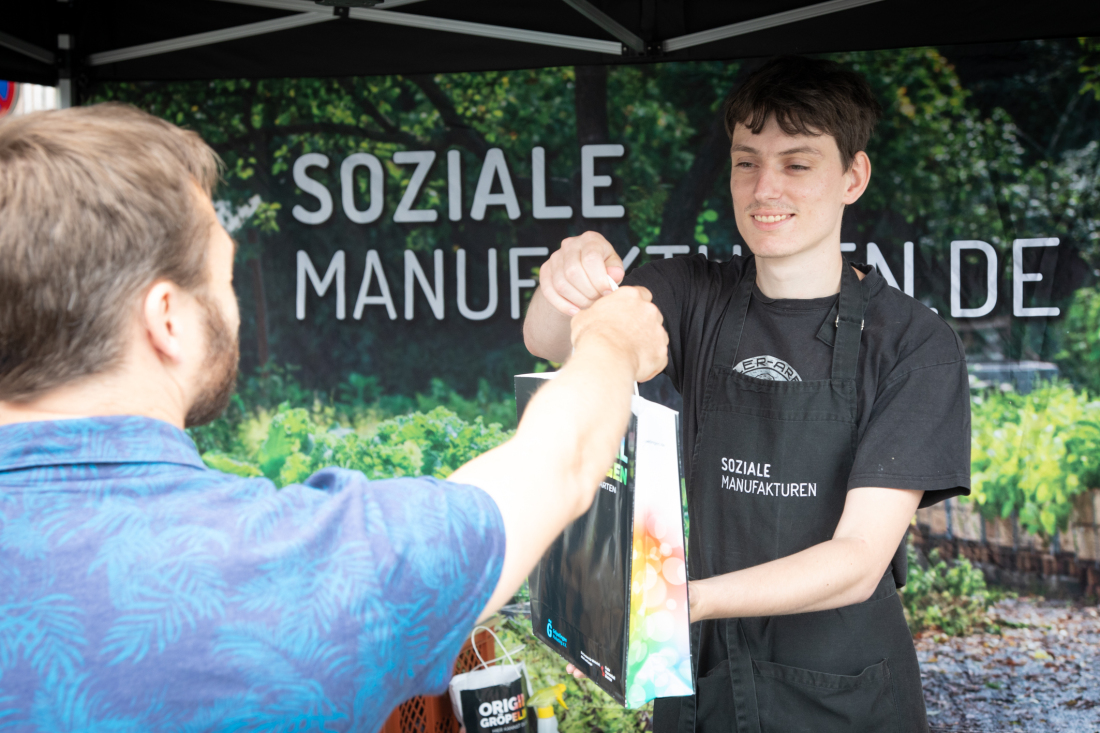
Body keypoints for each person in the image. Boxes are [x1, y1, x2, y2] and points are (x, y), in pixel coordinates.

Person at [0, 103, 667, 731]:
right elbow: (564, 462)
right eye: (223, 280)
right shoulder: (296, 568)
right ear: (167, 318)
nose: (232, 309)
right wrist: (610, 338)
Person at [524, 56, 971, 732]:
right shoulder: (692, 291)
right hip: (705, 687)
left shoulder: (912, 343)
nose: (765, 188)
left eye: (797, 163)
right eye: (746, 162)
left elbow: (856, 561)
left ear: (853, 176)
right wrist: (571, 270)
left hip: (841, 693)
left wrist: (681, 600)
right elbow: (551, 340)